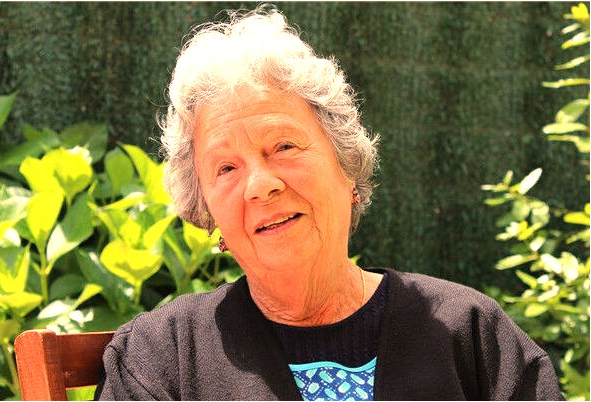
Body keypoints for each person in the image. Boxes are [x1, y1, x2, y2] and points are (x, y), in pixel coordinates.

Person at [95, 6, 562, 401]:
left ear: (347, 165)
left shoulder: (471, 335)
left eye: (283, 146)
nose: (260, 185)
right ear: (207, 210)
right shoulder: (162, 357)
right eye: (226, 168)